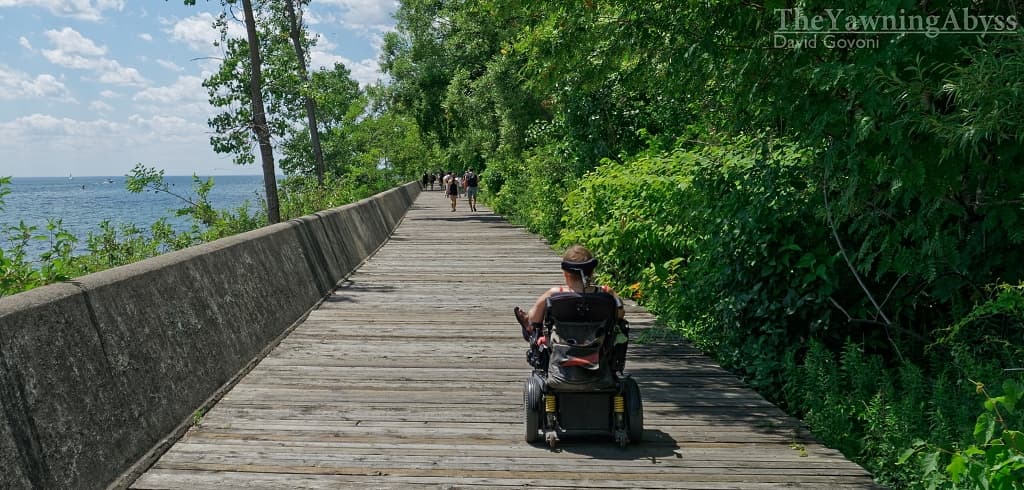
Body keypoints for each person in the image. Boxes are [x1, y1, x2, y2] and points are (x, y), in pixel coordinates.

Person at [514, 244, 624, 340]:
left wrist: (533, 321)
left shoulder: (555, 293)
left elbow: (536, 320)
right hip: (597, 341)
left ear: (565, 274)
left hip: (563, 342)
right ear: (592, 273)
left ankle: (527, 321)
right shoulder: (606, 292)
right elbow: (620, 314)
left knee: (535, 319)